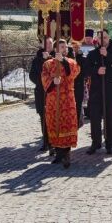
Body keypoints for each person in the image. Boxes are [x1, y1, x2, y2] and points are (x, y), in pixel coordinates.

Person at [41, 39, 80, 168]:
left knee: (67, 124)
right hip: (53, 99)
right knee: (54, 124)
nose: (63, 49)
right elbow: (44, 78)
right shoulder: (48, 64)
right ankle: (58, 153)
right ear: (55, 49)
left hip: (67, 99)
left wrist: (63, 61)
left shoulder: (71, 62)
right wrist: (53, 82)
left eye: (65, 47)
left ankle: (67, 153)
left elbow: (74, 72)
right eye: (61, 47)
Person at [86, 29, 112, 155]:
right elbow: (86, 70)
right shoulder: (92, 54)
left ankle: (110, 144)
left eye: (105, 38)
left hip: (111, 91)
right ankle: (95, 143)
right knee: (95, 119)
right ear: (97, 39)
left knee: (109, 119)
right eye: (101, 38)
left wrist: (108, 55)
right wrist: (97, 70)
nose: (103, 40)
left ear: (109, 38)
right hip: (97, 91)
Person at [30, 37, 54, 153]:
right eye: (46, 43)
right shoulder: (36, 59)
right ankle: (46, 141)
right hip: (41, 91)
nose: (49, 45)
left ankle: (54, 142)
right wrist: (42, 82)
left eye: (50, 43)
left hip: (53, 91)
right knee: (43, 117)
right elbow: (32, 75)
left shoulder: (56, 56)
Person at [69, 41, 87, 128]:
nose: (74, 49)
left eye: (76, 47)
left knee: (78, 103)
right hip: (69, 84)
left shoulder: (82, 58)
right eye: (73, 47)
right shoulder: (68, 57)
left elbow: (85, 72)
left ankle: (77, 122)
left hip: (79, 83)